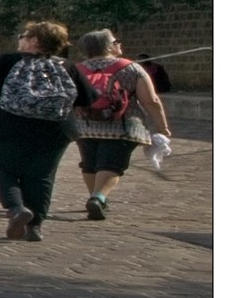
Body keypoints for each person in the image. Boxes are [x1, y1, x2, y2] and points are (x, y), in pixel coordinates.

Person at [0, 20, 78, 241]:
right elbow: (87, 97)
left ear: (34, 41)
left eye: (24, 35)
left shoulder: (8, 61)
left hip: (6, 127)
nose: (20, 39)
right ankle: (35, 226)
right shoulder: (65, 66)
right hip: (54, 130)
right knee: (41, 176)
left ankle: (16, 208)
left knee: (1, 170)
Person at [68, 29, 169, 220]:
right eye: (116, 41)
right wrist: (162, 127)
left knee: (90, 164)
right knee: (112, 165)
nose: (119, 43)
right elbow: (151, 101)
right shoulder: (131, 68)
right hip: (123, 126)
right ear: (109, 46)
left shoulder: (76, 69)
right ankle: (98, 198)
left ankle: (96, 197)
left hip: (85, 125)